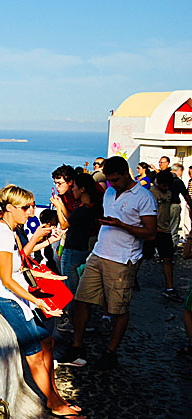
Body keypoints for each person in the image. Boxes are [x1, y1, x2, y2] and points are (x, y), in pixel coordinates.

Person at [0, 185, 85, 419]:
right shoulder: (3, 234)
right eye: (26, 207)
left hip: (19, 297)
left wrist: (43, 240)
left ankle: (55, 396)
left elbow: (20, 260)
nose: (32, 211)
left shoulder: (9, 231)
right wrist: (38, 302)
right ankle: (55, 403)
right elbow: (7, 279)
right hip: (10, 300)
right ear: (10, 208)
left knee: (47, 341)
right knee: (35, 353)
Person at [58, 156, 157, 370]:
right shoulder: (110, 192)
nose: (112, 184)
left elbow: (150, 233)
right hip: (99, 253)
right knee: (82, 300)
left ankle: (111, 352)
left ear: (126, 174)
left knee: (118, 309)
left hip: (123, 259)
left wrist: (122, 225)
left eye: (116, 179)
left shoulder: (144, 197)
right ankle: (77, 346)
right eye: (110, 180)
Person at [57, 174, 103, 330]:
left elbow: (64, 225)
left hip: (72, 250)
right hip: (84, 249)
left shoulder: (82, 209)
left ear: (82, 189)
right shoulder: (92, 208)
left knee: (71, 288)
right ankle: (83, 320)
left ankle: (73, 320)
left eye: (75, 186)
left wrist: (57, 207)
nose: (73, 189)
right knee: (81, 288)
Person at [145, 171, 185, 302]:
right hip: (153, 230)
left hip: (165, 230)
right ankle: (131, 279)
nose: (166, 188)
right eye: (164, 185)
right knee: (143, 256)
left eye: (168, 185)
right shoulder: (151, 193)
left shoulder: (169, 193)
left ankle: (169, 287)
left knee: (168, 258)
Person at [169, 163, 192, 247]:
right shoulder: (177, 181)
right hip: (174, 205)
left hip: (162, 206)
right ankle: (171, 247)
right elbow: (185, 195)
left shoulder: (162, 178)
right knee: (173, 228)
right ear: (179, 171)